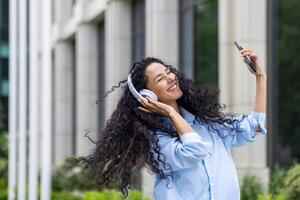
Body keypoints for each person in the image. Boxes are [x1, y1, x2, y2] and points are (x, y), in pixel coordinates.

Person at [82, 47, 267, 200]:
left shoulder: (206, 123)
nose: (170, 77)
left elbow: (254, 127)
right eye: (160, 79)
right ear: (148, 97)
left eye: (168, 71)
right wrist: (170, 112)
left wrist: (260, 76)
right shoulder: (156, 140)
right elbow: (195, 151)